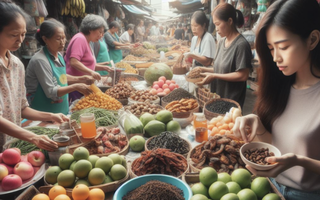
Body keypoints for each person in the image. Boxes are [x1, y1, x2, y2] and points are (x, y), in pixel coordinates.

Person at [233, 0, 320, 199]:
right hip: (269, 188)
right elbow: (276, 145)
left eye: (284, 47)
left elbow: (294, 156)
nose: (275, 58)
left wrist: (300, 161)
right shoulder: (280, 86)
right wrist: (258, 124)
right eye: (271, 48)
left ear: (312, 40)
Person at [0, 1, 66, 152]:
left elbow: (22, 108)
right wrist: (32, 137)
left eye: (23, 34)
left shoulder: (17, 65)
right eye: (13, 35)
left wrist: (51, 116)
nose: (20, 40)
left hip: (12, 147)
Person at [25, 19, 94, 115]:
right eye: (58, 39)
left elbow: (61, 78)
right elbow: (51, 91)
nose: (62, 42)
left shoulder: (59, 55)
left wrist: (82, 78)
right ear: (45, 39)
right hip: (44, 112)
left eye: (64, 38)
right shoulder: (40, 60)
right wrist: (76, 86)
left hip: (60, 110)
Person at [196, 3, 252, 108]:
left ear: (230, 21)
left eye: (218, 24)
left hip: (231, 102)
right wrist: (202, 69)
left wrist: (214, 76)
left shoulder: (241, 45)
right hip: (216, 98)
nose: (216, 29)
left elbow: (243, 75)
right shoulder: (221, 42)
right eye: (215, 24)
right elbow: (220, 68)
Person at [64, 14, 112, 102]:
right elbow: (74, 62)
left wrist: (102, 67)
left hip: (84, 85)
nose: (101, 35)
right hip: (76, 86)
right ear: (90, 29)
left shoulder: (88, 41)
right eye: (100, 32)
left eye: (102, 33)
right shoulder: (80, 39)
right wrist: (91, 72)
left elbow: (86, 63)